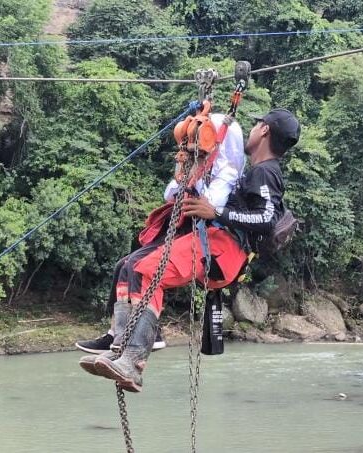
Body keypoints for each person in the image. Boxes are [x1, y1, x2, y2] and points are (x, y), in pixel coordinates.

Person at [80, 108, 301, 393]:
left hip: (224, 249)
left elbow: (266, 219)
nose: (252, 129)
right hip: (216, 244)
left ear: (265, 130)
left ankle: (134, 360)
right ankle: (121, 346)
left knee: (146, 270)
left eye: (257, 124)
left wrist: (216, 212)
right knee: (129, 265)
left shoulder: (265, 172)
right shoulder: (254, 172)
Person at [75, 112, 246, 355]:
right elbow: (170, 194)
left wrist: (196, 175)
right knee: (122, 265)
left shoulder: (227, 172)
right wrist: (187, 169)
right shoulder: (198, 166)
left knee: (137, 266)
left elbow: (211, 202)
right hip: (180, 226)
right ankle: (116, 331)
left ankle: (147, 334)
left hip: (203, 234)